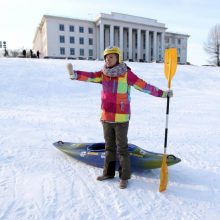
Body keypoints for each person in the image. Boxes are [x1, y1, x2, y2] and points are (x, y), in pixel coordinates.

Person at [66, 46, 173, 189]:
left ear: (118, 58)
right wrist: (75, 74)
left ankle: (124, 177)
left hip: (121, 118)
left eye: (111, 56)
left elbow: (144, 86)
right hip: (106, 116)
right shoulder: (103, 74)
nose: (107, 59)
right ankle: (108, 173)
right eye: (106, 57)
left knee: (122, 148)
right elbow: (90, 76)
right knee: (109, 147)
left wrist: (163, 94)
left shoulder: (127, 74)